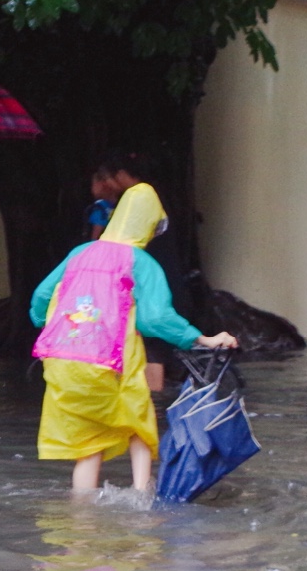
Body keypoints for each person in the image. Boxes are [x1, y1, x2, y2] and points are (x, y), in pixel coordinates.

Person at [30, 183, 237, 494]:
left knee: (87, 445)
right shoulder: (141, 262)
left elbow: (42, 296)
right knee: (139, 422)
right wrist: (201, 339)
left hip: (61, 359)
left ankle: (79, 526)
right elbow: (155, 319)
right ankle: (143, 498)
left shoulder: (80, 252)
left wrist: (45, 323)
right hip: (111, 360)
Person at [86, 165, 123, 240]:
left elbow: (95, 239)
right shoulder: (121, 205)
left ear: (103, 185)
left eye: (93, 184)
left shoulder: (99, 209)